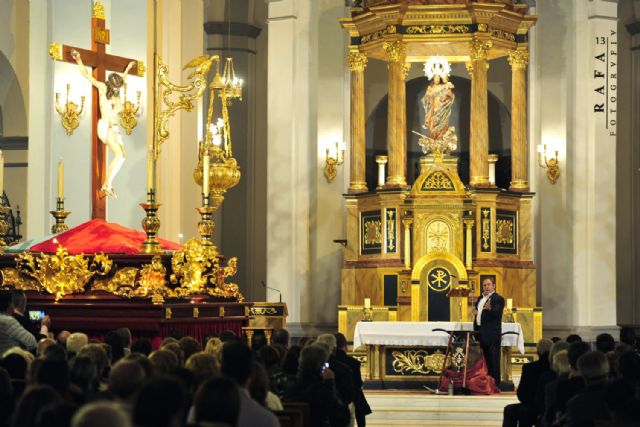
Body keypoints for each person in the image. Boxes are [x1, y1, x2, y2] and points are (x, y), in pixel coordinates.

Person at [70, 49, 135, 198]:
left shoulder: (117, 90)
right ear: (110, 85)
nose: (118, 91)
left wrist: (128, 68)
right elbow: (87, 76)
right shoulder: (102, 87)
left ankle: (107, 184)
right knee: (119, 155)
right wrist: (79, 59)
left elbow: (123, 78)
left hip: (114, 127)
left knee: (122, 156)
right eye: (116, 88)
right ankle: (107, 185)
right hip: (105, 126)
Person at [472, 277, 505, 385]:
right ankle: (484, 382)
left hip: (492, 334)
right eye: (484, 285)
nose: (486, 287)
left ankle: (495, 384)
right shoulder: (480, 298)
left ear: (494, 286)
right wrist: (476, 313)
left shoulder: (498, 298)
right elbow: (479, 314)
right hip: (481, 333)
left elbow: (498, 312)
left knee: (493, 359)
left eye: (488, 284)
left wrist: (490, 308)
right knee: (484, 359)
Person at [0, 290, 37, 356]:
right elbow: (32, 343)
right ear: (9, 304)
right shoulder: (7, 321)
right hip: (8, 361)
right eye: (12, 302)